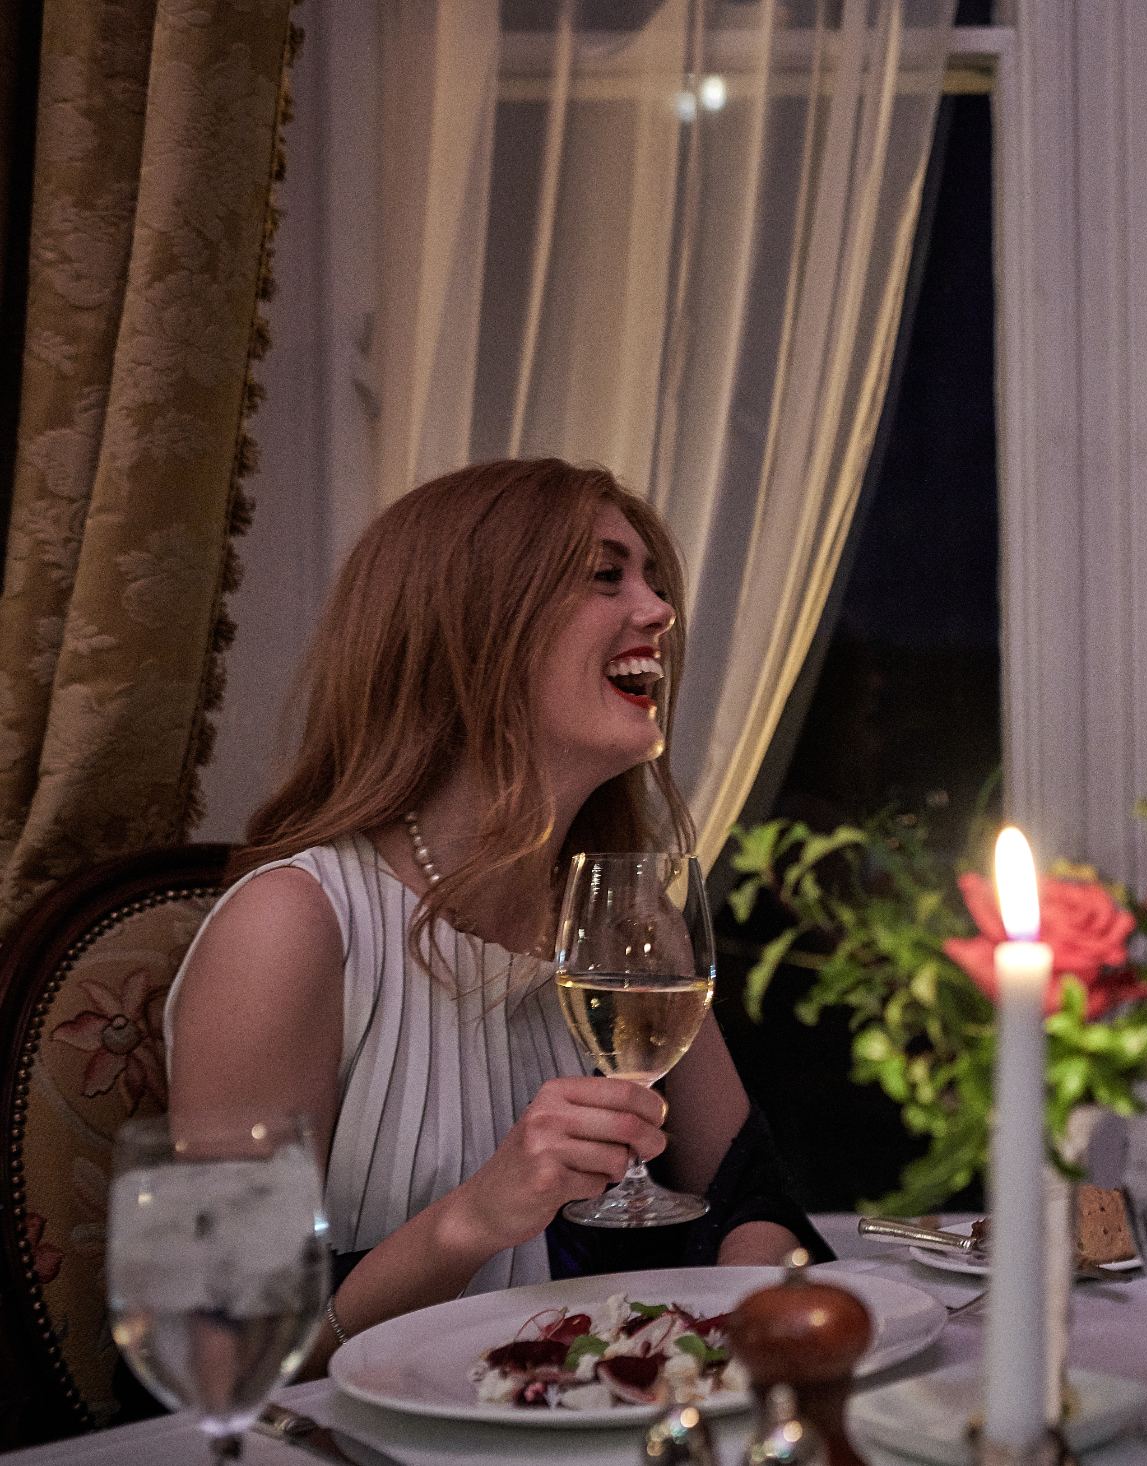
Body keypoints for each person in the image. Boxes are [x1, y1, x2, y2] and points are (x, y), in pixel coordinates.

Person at [166, 458, 824, 1373]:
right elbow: (221, 1359)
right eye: (606, 576)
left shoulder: (628, 930)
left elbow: (758, 1204)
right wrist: (475, 1219)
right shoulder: (294, 927)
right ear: (474, 631)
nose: (660, 612)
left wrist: (732, 1342)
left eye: (653, 581)